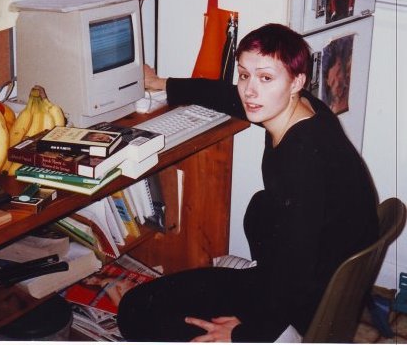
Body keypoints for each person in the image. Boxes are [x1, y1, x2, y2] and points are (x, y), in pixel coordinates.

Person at [117, 23, 378, 343]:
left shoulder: (300, 164)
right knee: (261, 207)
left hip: (304, 303)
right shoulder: (309, 109)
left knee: (138, 312)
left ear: (296, 81)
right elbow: (229, 96)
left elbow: (296, 270)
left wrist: (243, 333)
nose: (250, 91)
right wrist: (164, 84)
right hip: (324, 274)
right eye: (244, 75)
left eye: (266, 78)